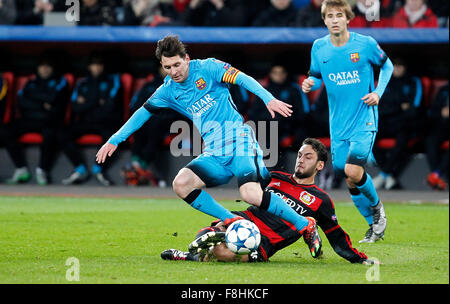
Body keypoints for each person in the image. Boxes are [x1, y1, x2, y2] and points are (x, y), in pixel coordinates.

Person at [96, 35, 323, 258]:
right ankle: (232, 219)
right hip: (214, 153)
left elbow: (243, 79)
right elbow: (141, 113)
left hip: (240, 142)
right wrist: (115, 139)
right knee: (181, 184)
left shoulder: (210, 67)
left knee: (250, 194)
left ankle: (305, 225)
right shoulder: (167, 90)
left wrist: (268, 98)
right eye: (167, 67)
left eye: (177, 64)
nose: (173, 71)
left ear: (187, 58)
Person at [161, 138, 379, 264]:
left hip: (265, 241)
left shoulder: (321, 200)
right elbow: (250, 184)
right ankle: (206, 245)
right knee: (210, 230)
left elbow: (335, 235)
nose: (301, 160)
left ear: (320, 165)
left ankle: (196, 255)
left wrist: (359, 259)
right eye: (300, 155)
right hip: (243, 220)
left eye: (308, 157)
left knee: (224, 252)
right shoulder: (274, 178)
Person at [301, 0, 393, 243]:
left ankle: (378, 213)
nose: (334, 19)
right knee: (347, 173)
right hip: (338, 124)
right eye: (329, 15)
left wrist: (378, 93)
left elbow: (387, 66)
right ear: (324, 20)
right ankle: (373, 225)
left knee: (353, 170)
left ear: (348, 18)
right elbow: (316, 77)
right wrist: (310, 83)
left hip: (364, 118)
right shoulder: (319, 47)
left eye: (339, 15)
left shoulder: (365, 44)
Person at [1, 56, 70, 185]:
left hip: (48, 120)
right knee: (5, 131)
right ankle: (21, 168)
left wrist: (33, 99)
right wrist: (42, 103)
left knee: (50, 134)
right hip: (29, 118)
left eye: (47, 66)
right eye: (42, 66)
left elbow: (53, 99)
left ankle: (42, 170)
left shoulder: (60, 81)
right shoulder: (31, 82)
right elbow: (21, 101)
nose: (44, 69)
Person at [61, 52, 123, 186]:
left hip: (105, 122)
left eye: (99, 64)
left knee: (113, 137)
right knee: (62, 134)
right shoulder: (82, 83)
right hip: (85, 121)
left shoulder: (113, 80)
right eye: (93, 64)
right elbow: (75, 107)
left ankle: (98, 169)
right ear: (89, 66)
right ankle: (80, 168)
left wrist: (86, 102)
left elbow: (110, 106)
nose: (96, 68)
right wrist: (97, 101)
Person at [122, 66, 183, 186]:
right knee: (139, 128)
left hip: (168, 121)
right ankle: (138, 166)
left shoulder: (178, 84)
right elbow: (136, 105)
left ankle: (138, 169)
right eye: (164, 67)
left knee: (155, 128)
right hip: (149, 120)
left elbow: (180, 109)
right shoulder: (150, 85)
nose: (166, 70)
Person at [372, 58, 424, 190]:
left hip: (405, 123)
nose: (398, 68)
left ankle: (383, 175)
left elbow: (414, 108)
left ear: (405, 67)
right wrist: (399, 106)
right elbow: (379, 106)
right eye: (395, 65)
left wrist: (394, 106)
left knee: (402, 140)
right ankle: (388, 176)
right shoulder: (384, 81)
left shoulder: (413, 81)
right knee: (368, 138)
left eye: (401, 65)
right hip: (385, 121)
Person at [247, 63, 310, 170]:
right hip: (267, 127)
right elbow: (253, 113)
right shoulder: (263, 90)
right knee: (263, 131)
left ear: (286, 74)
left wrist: (282, 119)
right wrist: (271, 118)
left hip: (288, 127)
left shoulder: (294, 89)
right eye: (275, 73)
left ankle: (277, 174)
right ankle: (265, 174)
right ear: (270, 74)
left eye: (282, 73)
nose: (279, 76)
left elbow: (303, 114)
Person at [425, 83, 448, 190]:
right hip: (442, 125)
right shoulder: (444, 89)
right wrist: (441, 112)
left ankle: (436, 175)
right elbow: (432, 111)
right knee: (431, 141)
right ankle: (436, 175)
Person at [181, 0, 247, 27]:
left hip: (228, 47)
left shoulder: (235, 4)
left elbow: (235, 24)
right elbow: (183, 22)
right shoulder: (205, 5)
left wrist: (219, 5)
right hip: (204, 45)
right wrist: (193, 5)